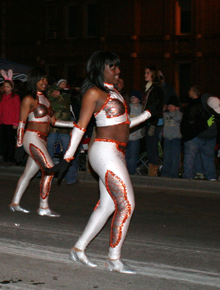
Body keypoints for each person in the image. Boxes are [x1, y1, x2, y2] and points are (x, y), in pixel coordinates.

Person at [57, 51, 151, 273]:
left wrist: (147, 114)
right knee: (127, 205)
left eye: (117, 66)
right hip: (104, 151)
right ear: (100, 68)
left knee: (108, 205)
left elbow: (124, 124)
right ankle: (114, 259)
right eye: (113, 66)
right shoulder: (93, 93)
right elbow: (81, 126)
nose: (118, 70)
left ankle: (78, 249)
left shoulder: (115, 92)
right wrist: (68, 157)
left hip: (117, 152)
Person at [9, 68, 73, 217]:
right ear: (33, 81)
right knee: (49, 171)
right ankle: (43, 207)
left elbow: (54, 122)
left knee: (28, 174)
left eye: (45, 79)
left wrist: (75, 125)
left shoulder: (46, 99)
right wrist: (18, 145)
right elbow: (21, 122)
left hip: (42, 140)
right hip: (32, 138)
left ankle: (14, 203)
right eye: (41, 79)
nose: (45, 82)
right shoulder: (29, 99)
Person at [181, 86, 220, 180]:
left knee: (208, 157)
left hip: (210, 137)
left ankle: (211, 177)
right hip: (195, 136)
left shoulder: (217, 103)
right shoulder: (196, 106)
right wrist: (205, 124)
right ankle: (188, 177)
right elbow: (190, 124)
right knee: (190, 157)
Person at [46, 78, 78, 185]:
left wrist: (63, 91)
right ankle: (47, 176)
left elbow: (75, 93)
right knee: (48, 152)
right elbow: (48, 93)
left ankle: (70, 178)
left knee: (68, 152)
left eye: (65, 83)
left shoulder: (68, 94)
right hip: (52, 127)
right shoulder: (51, 91)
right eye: (61, 83)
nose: (63, 85)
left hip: (65, 127)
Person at [0, 70, 20, 164]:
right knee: (4, 140)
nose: (5, 88)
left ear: (12, 87)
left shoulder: (15, 97)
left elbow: (17, 110)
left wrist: (16, 122)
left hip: (11, 122)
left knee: (11, 141)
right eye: (4, 86)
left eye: (8, 87)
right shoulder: (2, 96)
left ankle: (10, 157)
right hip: (4, 121)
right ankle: (5, 156)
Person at [142, 66, 164, 176]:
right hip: (150, 121)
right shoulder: (149, 88)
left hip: (154, 122)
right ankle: (152, 170)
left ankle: (153, 172)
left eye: (147, 73)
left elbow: (156, 107)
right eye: (145, 73)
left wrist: (153, 124)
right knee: (150, 147)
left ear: (153, 75)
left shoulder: (156, 89)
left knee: (153, 147)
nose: (145, 75)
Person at [161, 96, 182, 178]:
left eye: (172, 106)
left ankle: (174, 174)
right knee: (166, 157)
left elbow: (178, 118)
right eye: (169, 106)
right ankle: (165, 173)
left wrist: (177, 110)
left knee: (174, 158)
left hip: (175, 138)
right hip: (167, 138)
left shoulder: (179, 114)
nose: (170, 108)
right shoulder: (165, 114)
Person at [125, 90, 144, 175]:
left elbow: (143, 122)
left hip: (135, 136)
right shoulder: (127, 108)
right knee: (126, 156)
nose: (133, 99)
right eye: (132, 97)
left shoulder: (141, 109)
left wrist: (140, 134)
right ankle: (124, 173)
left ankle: (131, 173)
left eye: (135, 97)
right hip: (126, 136)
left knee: (133, 156)